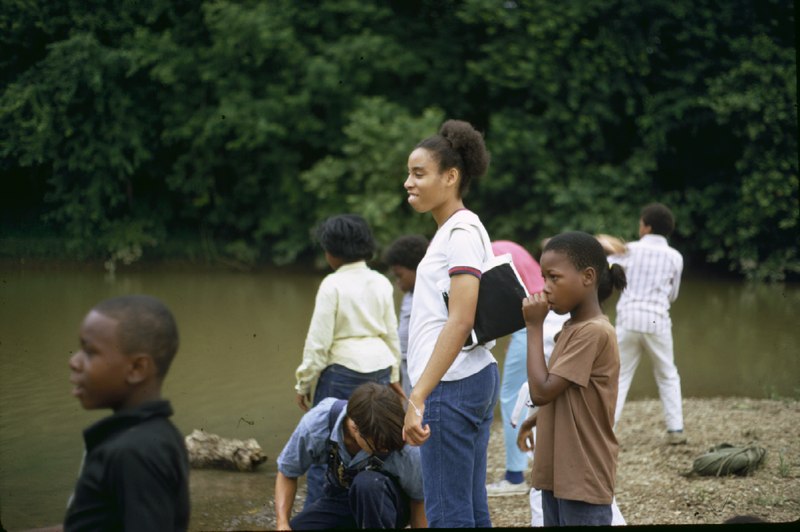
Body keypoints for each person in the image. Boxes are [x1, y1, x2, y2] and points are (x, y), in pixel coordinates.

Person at [402, 119, 500, 528]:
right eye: (408, 173)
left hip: (449, 386)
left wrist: (417, 397)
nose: (408, 182)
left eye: (419, 173)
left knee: (447, 512)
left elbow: (460, 321)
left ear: (451, 176)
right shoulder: (460, 229)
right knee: (471, 507)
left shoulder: (458, 232)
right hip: (470, 378)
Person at [294, 213, 403, 506]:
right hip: (378, 368)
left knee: (324, 446)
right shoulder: (381, 282)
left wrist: (303, 383)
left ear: (331, 252)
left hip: (342, 371)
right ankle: (371, 505)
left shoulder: (332, 285)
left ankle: (319, 512)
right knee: (374, 444)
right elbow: (391, 334)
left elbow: (318, 343)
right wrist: (393, 376)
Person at [521, 231, 627, 526]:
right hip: (559, 471)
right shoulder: (572, 327)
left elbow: (541, 391)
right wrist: (535, 421)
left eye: (554, 278)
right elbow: (562, 392)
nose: (545, 289)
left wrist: (533, 327)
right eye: (544, 279)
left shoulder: (593, 332)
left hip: (582, 474)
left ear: (588, 276)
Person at [64, 295, 189, 531]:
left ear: (136, 368)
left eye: (90, 352)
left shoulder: (135, 452)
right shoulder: (153, 435)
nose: (74, 362)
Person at [274, 382, 426, 530]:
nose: (386, 449)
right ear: (355, 428)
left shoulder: (405, 444)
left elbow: (418, 500)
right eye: (379, 447)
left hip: (389, 507)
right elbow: (288, 472)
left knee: (367, 484)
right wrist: (282, 524)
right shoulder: (317, 423)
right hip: (342, 502)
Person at [609, 203, 686, 445]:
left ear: (647, 227)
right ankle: (675, 429)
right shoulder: (675, 256)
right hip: (656, 318)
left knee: (619, 375)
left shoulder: (629, 250)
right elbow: (672, 294)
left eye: (641, 223)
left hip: (629, 317)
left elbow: (609, 271)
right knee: (667, 373)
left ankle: (608, 427)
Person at [485, 240, 545, 497]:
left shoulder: (486, 256)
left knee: (512, 397)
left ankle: (514, 476)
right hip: (549, 312)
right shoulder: (507, 246)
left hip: (533, 321)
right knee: (545, 394)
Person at [383, 234, 430, 398]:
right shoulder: (409, 296)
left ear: (418, 269)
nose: (398, 282)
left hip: (422, 365)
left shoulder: (429, 297)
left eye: (400, 275)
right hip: (405, 362)